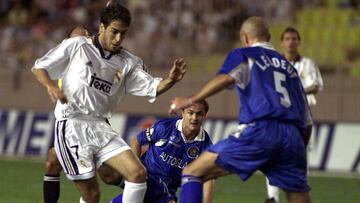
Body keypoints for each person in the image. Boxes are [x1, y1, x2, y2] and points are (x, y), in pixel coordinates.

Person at [32, 3, 187, 203]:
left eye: (123, 34)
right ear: (102, 27)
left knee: (138, 173)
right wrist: (51, 87)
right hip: (72, 125)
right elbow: (39, 67)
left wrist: (171, 79)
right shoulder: (78, 45)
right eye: (114, 32)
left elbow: (152, 87)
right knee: (92, 195)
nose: (118, 39)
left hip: (100, 127)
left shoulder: (127, 62)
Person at [169, 16, 313, 203]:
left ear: (245, 38)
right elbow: (307, 120)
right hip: (293, 137)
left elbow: (226, 78)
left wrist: (190, 99)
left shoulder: (245, 55)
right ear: (268, 37)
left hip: (261, 130)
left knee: (192, 172)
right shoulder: (291, 70)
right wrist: (296, 150)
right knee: (298, 198)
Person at [109, 100, 214, 203]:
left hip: (166, 189)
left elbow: (209, 178)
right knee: (107, 172)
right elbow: (136, 140)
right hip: (145, 177)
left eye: (199, 114)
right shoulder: (165, 127)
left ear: (205, 115)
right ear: (183, 113)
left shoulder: (206, 146)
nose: (194, 118)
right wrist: (135, 169)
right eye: (190, 113)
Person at [264, 26, 324, 203]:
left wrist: (293, 91)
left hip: (300, 117)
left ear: (299, 42)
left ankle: (298, 196)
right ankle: (272, 198)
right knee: (273, 156)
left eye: (294, 38)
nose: (291, 42)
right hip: (279, 116)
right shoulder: (273, 64)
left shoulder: (307, 64)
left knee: (300, 159)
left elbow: (316, 85)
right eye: (287, 39)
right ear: (282, 42)